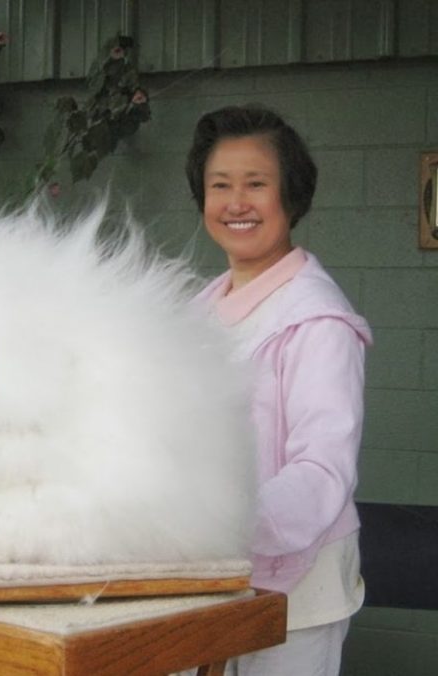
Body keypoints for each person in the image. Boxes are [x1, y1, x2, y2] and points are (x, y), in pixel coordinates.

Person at [186, 105, 372, 675]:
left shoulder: (318, 321)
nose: (236, 203)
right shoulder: (194, 313)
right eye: (220, 185)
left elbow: (322, 469)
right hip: (207, 579)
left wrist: (221, 520)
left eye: (256, 184)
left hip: (298, 595)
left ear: (290, 195)